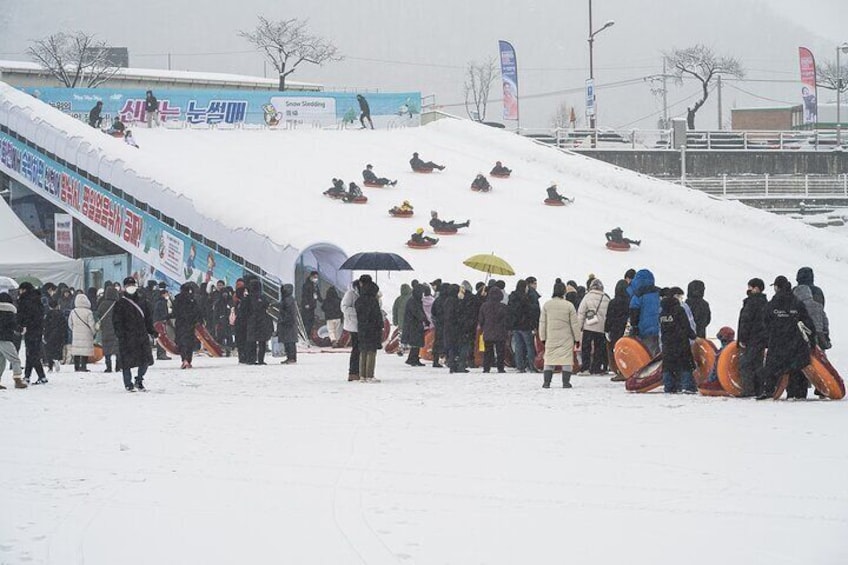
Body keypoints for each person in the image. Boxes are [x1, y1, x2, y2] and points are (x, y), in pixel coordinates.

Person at [756, 276, 816, 400]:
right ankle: (798, 393)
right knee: (796, 367)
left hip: (777, 341)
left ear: (777, 287)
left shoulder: (773, 303)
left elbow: (765, 321)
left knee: (772, 367)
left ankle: (769, 391)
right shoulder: (797, 302)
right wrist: (812, 341)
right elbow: (808, 322)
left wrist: (768, 337)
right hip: (795, 342)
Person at [112, 277, 157, 392]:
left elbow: (148, 319)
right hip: (127, 337)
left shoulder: (143, 301)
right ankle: (128, 383)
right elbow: (117, 321)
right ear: (124, 287)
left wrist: (152, 331)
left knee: (145, 360)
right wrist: (120, 334)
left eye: (132, 284)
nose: (131, 287)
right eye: (128, 285)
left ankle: (139, 379)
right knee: (126, 363)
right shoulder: (120, 303)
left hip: (141, 336)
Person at [789, 284, 830, 398]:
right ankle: (822, 388)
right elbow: (825, 322)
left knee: (803, 363)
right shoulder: (818, 305)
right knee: (820, 365)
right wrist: (825, 336)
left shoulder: (798, 306)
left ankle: (800, 387)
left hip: (804, 336)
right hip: (819, 337)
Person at [538, 280, 581, 388]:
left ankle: (547, 382)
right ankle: (566, 382)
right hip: (566, 337)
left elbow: (542, 323)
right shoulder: (569, 306)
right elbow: (575, 324)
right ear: (564, 292)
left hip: (551, 337)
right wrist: (577, 338)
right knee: (566, 359)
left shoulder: (547, 305)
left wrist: (543, 338)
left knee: (549, 358)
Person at [659, 286, 698, 393]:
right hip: (680, 342)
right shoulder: (679, 309)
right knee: (685, 364)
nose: (681, 299)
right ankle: (688, 385)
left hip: (667, 342)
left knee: (668, 366)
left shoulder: (663, 311)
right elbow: (686, 326)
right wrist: (694, 337)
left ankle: (669, 386)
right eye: (680, 296)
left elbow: (662, 329)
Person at [737, 277, 768, 397]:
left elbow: (746, 321)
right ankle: (759, 389)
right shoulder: (765, 303)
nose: (748, 290)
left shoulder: (751, 302)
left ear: (756, 288)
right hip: (761, 338)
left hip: (751, 339)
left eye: (750, 287)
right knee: (758, 364)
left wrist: (743, 338)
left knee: (746, 365)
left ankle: (748, 390)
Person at [577, 278, 610, 375]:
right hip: (601, 327)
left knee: (586, 348)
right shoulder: (606, 298)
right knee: (599, 348)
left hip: (589, 326)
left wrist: (579, 327)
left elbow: (581, 313)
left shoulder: (587, 296)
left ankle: (585, 368)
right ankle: (596, 368)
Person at [16, 282, 47, 385]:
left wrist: (21, 325)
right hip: (38, 329)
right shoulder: (38, 299)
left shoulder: (24, 300)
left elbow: (21, 315)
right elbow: (40, 314)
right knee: (32, 352)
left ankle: (41, 376)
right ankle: (27, 376)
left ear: (24, 290)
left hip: (29, 329)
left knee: (32, 353)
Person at [355, 280, 383, 382]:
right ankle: (370, 375)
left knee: (363, 351)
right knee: (371, 352)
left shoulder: (359, 300)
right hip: (373, 329)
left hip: (362, 328)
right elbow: (377, 316)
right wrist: (380, 325)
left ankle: (362, 375)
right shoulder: (373, 301)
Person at [628, 269, 661, 356]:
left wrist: (634, 326)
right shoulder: (658, 292)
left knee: (646, 354)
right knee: (658, 354)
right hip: (660, 328)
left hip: (644, 330)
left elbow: (634, 312)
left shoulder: (638, 295)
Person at [604, 279, 631, 381]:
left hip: (615, 330)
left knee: (616, 352)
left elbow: (609, 317)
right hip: (626, 330)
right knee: (626, 351)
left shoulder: (613, 302)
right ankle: (628, 370)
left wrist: (606, 330)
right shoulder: (629, 301)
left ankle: (620, 371)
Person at [508, 279, 536, 373]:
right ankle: (532, 365)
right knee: (529, 346)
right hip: (525, 326)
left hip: (515, 326)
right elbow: (530, 312)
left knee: (518, 347)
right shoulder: (525, 298)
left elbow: (510, 311)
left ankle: (520, 366)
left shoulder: (512, 297)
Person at [478, 286, 508, 373]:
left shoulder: (484, 306)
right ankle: (500, 367)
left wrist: (484, 327)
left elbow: (481, 319)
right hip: (501, 332)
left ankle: (486, 367)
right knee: (500, 352)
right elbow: (507, 320)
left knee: (487, 351)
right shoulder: (503, 307)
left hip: (488, 331)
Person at [244, 279, 273, 365]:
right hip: (263, 321)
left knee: (251, 341)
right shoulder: (263, 297)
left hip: (252, 321)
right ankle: (261, 360)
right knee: (262, 342)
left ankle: (251, 359)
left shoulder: (248, 298)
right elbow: (267, 306)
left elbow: (245, 310)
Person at [0, 293, 26, 389]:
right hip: (5, 339)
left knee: (1, 361)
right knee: (15, 360)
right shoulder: (9, 312)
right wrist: (21, 329)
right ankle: (18, 380)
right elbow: (13, 325)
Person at [173, 283, 201, 369]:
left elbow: (174, 312)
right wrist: (198, 320)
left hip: (180, 323)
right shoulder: (192, 299)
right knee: (189, 343)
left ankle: (184, 359)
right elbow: (197, 311)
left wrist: (166, 317)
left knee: (182, 342)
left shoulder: (177, 300)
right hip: (190, 324)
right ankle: (188, 360)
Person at [68, 293, 96, 373]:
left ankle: (76, 367)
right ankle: (83, 366)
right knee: (85, 351)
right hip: (86, 334)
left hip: (76, 333)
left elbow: (70, 323)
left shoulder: (73, 312)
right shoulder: (88, 312)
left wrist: (74, 329)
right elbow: (91, 324)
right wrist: (93, 331)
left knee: (77, 351)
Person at [341, 279, 362, 380]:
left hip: (362, 324)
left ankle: (358, 370)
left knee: (360, 348)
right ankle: (353, 372)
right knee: (356, 348)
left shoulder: (366, 293)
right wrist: (358, 311)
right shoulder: (350, 294)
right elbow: (344, 308)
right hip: (353, 324)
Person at [95, 286, 120, 373]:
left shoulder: (103, 304)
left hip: (105, 329)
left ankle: (108, 367)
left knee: (107, 348)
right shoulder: (118, 304)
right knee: (117, 349)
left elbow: (98, 314)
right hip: (117, 329)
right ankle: (118, 366)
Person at [403, 285, 428, 366]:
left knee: (416, 343)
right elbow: (417, 312)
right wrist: (424, 319)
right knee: (415, 342)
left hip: (415, 324)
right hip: (413, 325)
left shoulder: (414, 300)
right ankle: (413, 359)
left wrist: (425, 319)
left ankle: (413, 358)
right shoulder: (413, 301)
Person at [277, 284, 299, 364]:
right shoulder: (289, 299)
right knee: (289, 341)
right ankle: (291, 357)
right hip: (289, 323)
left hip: (288, 323)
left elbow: (288, 312)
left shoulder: (287, 300)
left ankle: (291, 357)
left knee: (289, 342)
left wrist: (283, 320)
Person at [43, 298, 65, 373]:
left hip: (50, 335)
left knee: (49, 351)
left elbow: (45, 325)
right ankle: (57, 360)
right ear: (57, 306)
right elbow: (64, 325)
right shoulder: (61, 314)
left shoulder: (48, 314)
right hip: (59, 335)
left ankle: (50, 366)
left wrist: (45, 335)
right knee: (58, 349)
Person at [392, 284, 412, 355]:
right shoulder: (411, 298)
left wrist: (395, 321)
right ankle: (409, 347)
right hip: (409, 322)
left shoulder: (398, 299)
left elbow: (394, 310)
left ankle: (401, 348)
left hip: (401, 322)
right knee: (409, 334)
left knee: (401, 335)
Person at [301, 271, 322, 338]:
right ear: (311, 277)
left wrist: (322, 301)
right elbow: (304, 295)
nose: (316, 279)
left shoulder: (315, 285)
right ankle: (306, 335)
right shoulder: (306, 285)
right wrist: (306, 304)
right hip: (307, 306)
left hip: (312, 306)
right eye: (315, 277)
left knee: (311, 321)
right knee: (307, 321)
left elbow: (318, 295)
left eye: (316, 277)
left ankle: (309, 334)